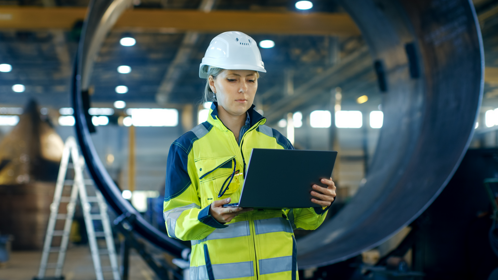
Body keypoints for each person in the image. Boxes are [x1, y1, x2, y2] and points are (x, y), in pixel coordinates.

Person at [163, 31, 336, 280]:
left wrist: (319, 202)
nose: (243, 89)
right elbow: (173, 220)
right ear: (212, 83)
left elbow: (302, 220)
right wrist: (208, 215)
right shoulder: (187, 147)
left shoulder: (277, 142)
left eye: (251, 80)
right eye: (232, 80)